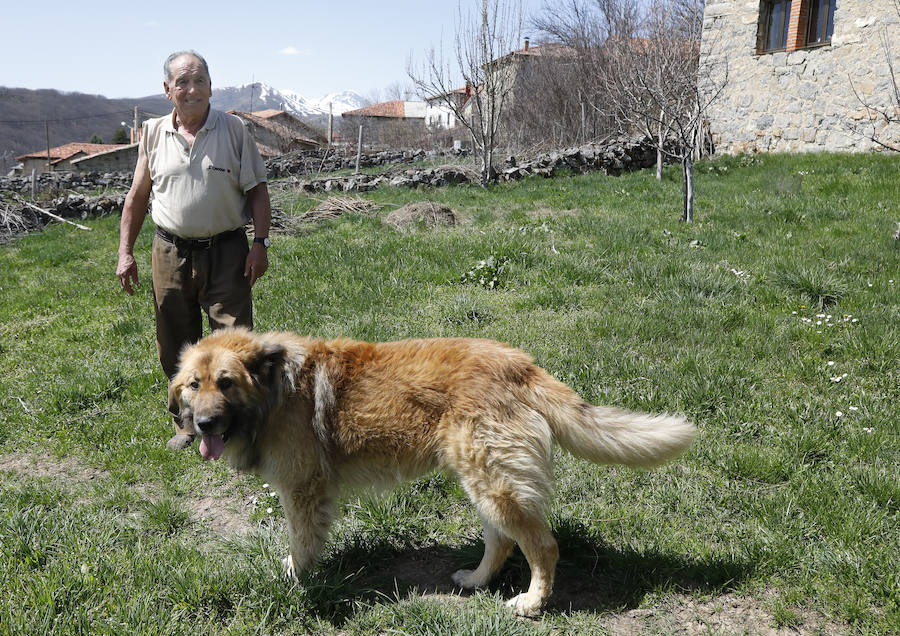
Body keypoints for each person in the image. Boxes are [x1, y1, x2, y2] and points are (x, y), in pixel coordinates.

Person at [116, 50, 272, 450]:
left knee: (234, 340)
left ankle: (237, 421)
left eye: (199, 80)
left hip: (228, 251)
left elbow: (258, 192)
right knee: (174, 339)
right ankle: (187, 425)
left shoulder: (234, 130)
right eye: (182, 82)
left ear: (211, 86)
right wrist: (125, 252)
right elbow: (136, 196)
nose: (191, 89)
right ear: (167, 90)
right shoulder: (151, 133)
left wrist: (259, 243)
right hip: (170, 251)